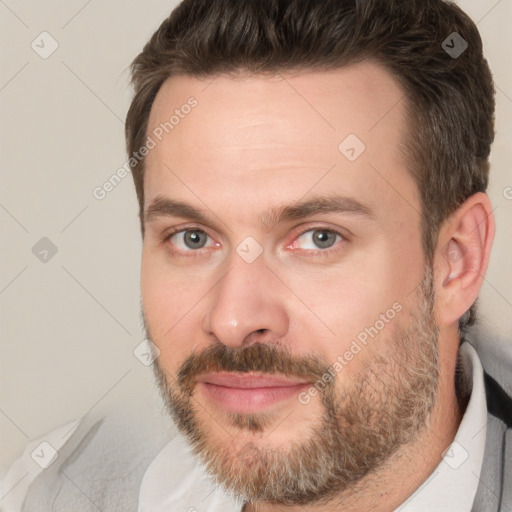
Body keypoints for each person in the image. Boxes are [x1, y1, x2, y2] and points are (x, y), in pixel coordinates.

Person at [2, 0, 511, 511]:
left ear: (455, 261)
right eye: (193, 238)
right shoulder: (52, 491)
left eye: (318, 238)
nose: (233, 320)